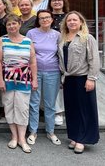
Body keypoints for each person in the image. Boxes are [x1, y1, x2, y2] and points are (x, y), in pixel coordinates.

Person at [58, 11, 100, 154]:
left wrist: (91, 78)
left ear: (81, 22)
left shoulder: (87, 38)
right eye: (69, 20)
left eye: (75, 20)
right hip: (69, 79)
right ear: (66, 23)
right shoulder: (62, 38)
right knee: (72, 109)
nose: (72, 22)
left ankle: (82, 139)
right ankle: (75, 136)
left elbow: (94, 59)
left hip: (83, 78)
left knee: (84, 109)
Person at [0, 14, 37, 153]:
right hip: (7, 79)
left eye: (14, 24)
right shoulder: (2, 40)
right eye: (9, 24)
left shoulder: (28, 41)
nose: (11, 26)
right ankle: (14, 137)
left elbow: (32, 62)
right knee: (9, 108)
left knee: (22, 109)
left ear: (19, 24)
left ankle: (22, 139)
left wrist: (35, 79)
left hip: (24, 79)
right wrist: (0, 79)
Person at [26, 10, 62, 147]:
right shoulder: (31, 33)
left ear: (52, 19)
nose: (45, 20)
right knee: (34, 102)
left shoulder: (57, 35)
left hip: (53, 72)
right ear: (38, 20)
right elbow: (29, 53)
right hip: (35, 72)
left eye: (47, 17)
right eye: (41, 18)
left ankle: (51, 131)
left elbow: (60, 54)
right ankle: (33, 131)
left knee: (50, 104)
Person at [48, 0, 70, 126]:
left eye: (59, 0)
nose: (56, 2)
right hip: (51, 54)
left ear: (63, 2)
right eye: (54, 0)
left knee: (66, 82)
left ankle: (67, 109)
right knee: (57, 84)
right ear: (50, 3)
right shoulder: (47, 16)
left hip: (67, 51)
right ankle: (58, 112)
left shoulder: (69, 17)